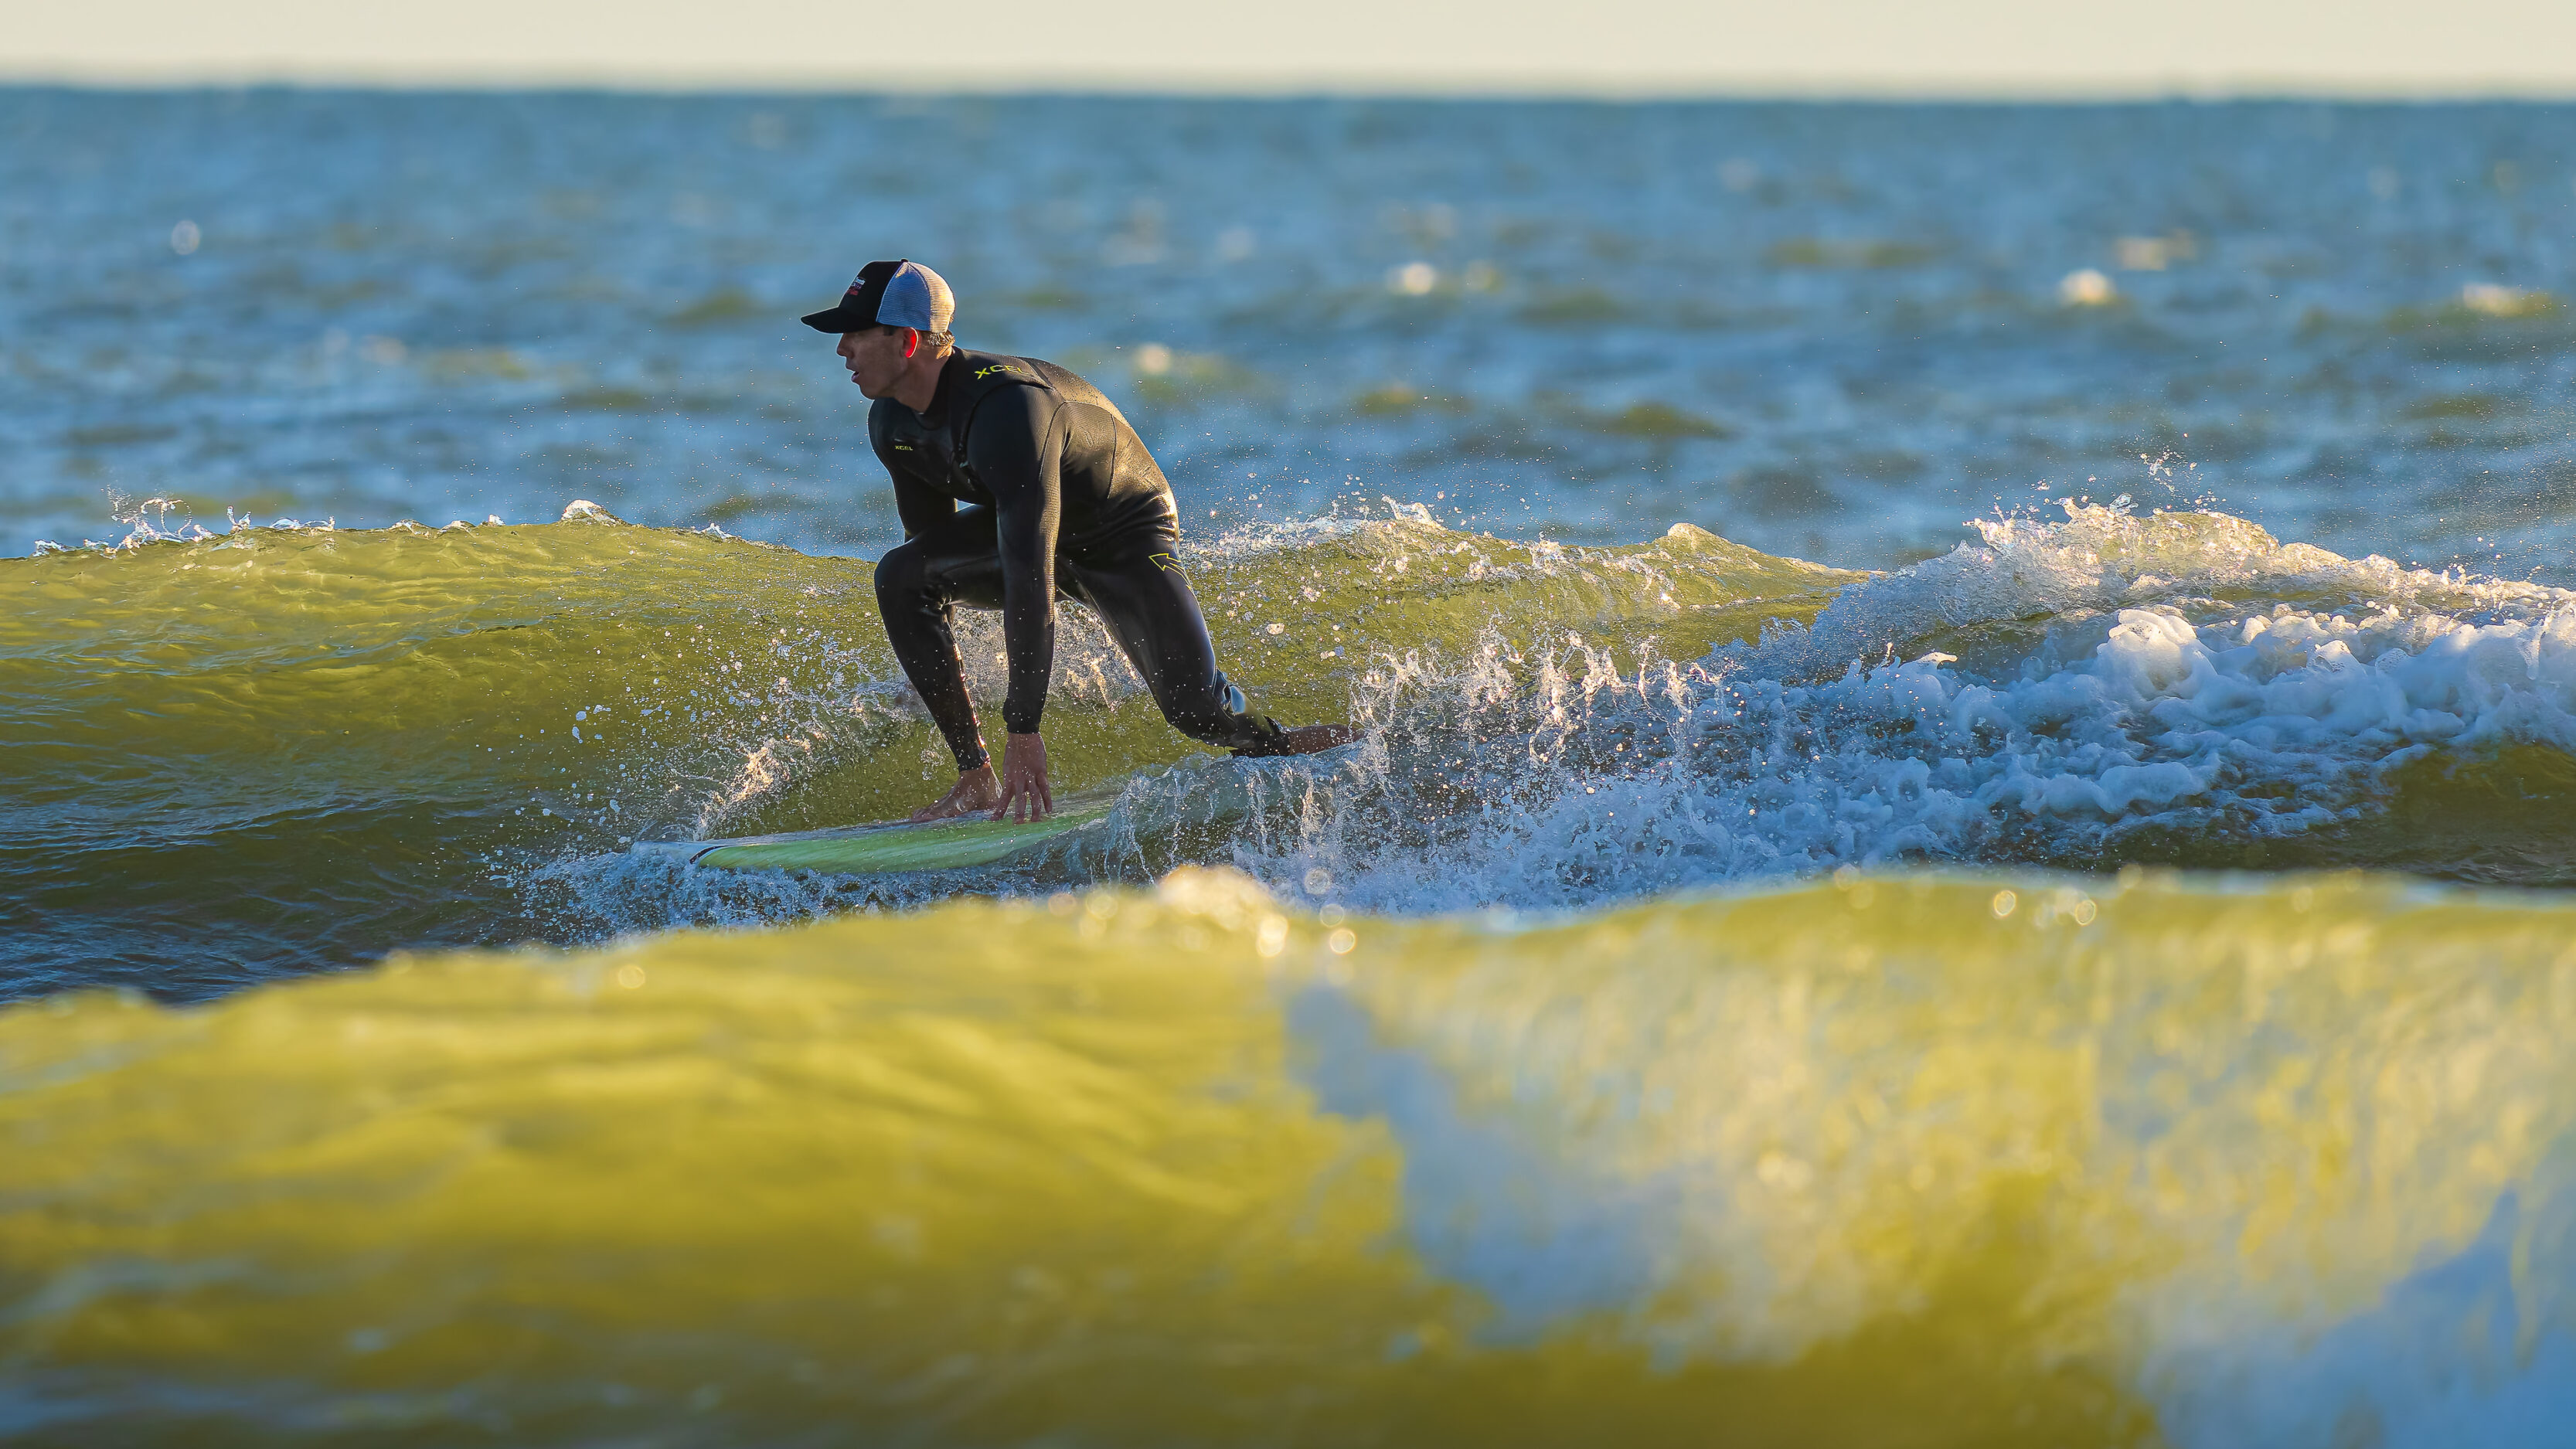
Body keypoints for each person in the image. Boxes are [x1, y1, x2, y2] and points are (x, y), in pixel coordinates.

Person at [802, 259, 1358, 824]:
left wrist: (1024, 729)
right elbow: (931, 549)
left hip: (1120, 529)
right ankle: (975, 777)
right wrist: (934, 663)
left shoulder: (1008, 410)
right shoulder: (891, 424)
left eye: (856, 333)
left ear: (908, 340)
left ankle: (1308, 745)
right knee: (899, 574)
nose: (842, 348)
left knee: (1197, 709)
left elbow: (1028, 570)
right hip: (1035, 529)